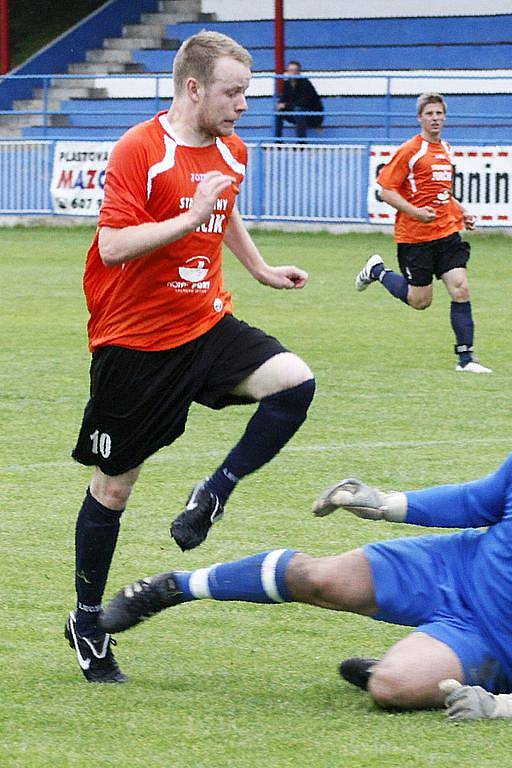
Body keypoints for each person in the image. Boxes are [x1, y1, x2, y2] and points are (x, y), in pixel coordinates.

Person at [99, 425, 512, 720]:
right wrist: (382, 501)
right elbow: (475, 502)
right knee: (319, 577)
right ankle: (173, 587)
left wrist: (503, 708)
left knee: (389, 689)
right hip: (454, 568)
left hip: (495, 643)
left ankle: (412, 671)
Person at [65, 30, 316, 683]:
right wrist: (188, 216)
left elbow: (222, 210)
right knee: (114, 487)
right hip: (133, 341)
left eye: (247, 93)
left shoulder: (232, 149)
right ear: (193, 88)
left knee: (294, 383)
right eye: (232, 92)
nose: (242, 105)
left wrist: (258, 269)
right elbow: (116, 246)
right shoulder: (139, 149)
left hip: (204, 322)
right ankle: (88, 622)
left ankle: (214, 491)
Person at [355, 92, 490, 374]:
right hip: (415, 237)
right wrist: (415, 212)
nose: (435, 118)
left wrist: (462, 210)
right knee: (420, 301)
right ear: (420, 118)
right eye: (429, 114)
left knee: (460, 288)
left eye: (439, 113)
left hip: (447, 233)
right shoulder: (410, 151)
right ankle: (378, 270)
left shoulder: (447, 150)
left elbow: (443, 193)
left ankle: (466, 359)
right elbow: (385, 191)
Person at [274, 60, 324, 138]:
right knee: (278, 112)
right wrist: (279, 105)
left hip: (313, 116)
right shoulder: (287, 83)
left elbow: (303, 103)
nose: (293, 73)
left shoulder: (305, 83)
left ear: (299, 72)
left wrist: (285, 105)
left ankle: (301, 144)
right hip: (296, 113)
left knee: (298, 111)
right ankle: (277, 142)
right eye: (290, 70)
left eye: (295, 70)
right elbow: (283, 99)